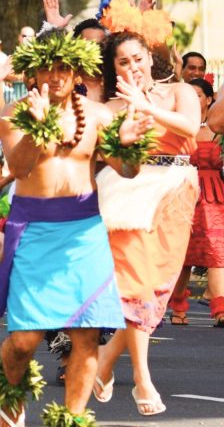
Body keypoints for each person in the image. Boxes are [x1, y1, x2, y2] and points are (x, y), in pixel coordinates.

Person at [0, 29, 149, 426]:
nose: (55, 77)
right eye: (46, 69)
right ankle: (11, 399)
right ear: (32, 74)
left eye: (63, 69)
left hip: (84, 232)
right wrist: (39, 128)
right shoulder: (14, 113)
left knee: (85, 335)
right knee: (24, 341)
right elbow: (20, 168)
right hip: (33, 230)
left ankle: (72, 419)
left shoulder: (99, 115)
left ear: (77, 74)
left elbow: (127, 171)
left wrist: (126, 146)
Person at [94, 30, 200, 417]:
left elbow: (190, 128)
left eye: (137, 58)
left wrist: (146, 106)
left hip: (175, 193)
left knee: (155, 291)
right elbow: (105, 154)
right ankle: (143, 378)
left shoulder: (180, 92)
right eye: (123, 62)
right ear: (114, 68)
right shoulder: (109, 107)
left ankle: (105, 361)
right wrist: (129, 111)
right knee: (135, 287)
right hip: (126, 194)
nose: (133, 67)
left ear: (149, 57)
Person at [169, 78, 224, 327]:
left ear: (210, 99)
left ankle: (220, 309)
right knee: (184, 254)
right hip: (186, 192)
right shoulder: (180, 125)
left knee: (217, 249)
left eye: (198, 95)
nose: (193, 99)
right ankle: (178, 305)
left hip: (216, 196)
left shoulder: (218, 126)